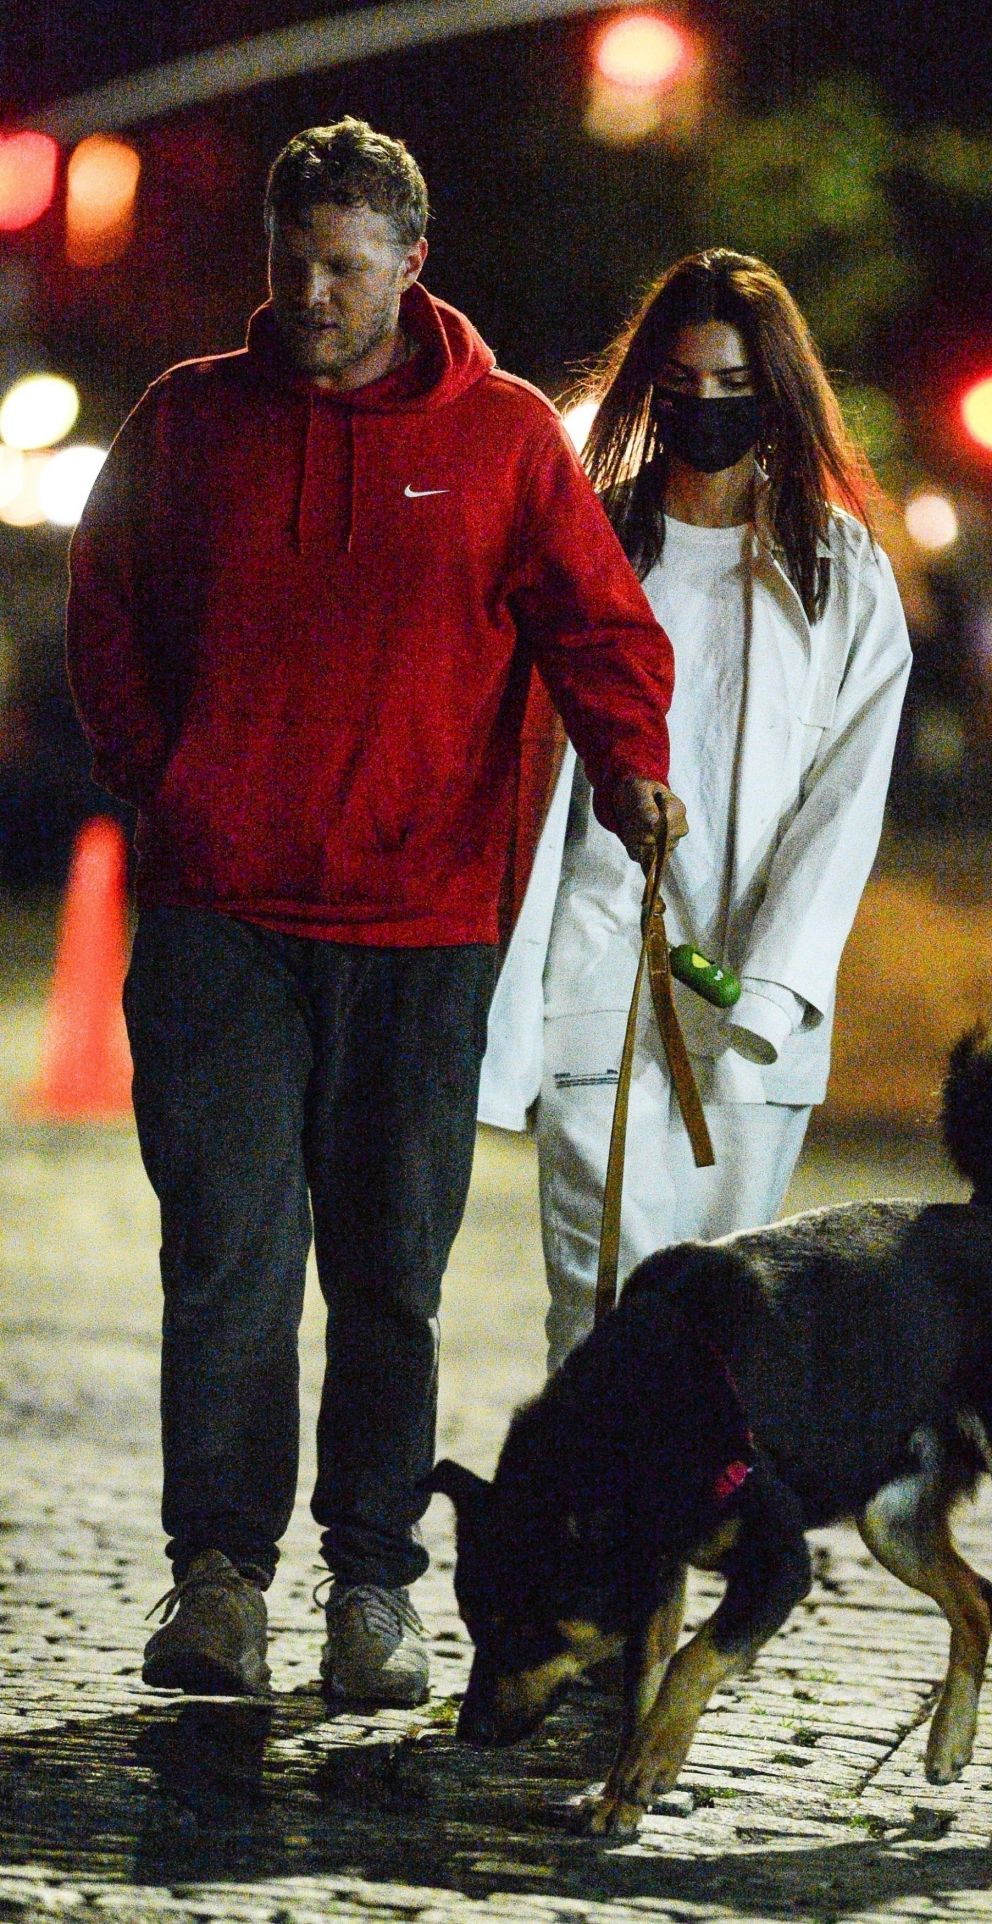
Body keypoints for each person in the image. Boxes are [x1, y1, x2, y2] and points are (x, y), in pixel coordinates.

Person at [65, 118, 686, 1706]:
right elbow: (106, 613)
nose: (315, 294)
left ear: (415, 264)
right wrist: (171, 781)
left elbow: (597, 627)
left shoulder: (504, 439)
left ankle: (374, 1585)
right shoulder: (190, 418)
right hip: (222, 920)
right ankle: (217, 1578)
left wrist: (632, 766)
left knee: (390, 1273)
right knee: (224, 1258)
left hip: (424, 928)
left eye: (347, 265)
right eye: (293, 263)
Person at [479, 249, 912, 1372]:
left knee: (726, 1300)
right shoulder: (594, 543)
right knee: (600, 1280)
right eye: (681, 385)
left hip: (747, 991)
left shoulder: (840, 572)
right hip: (599, 961)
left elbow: (843, 804)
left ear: (774, 396)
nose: (705, 411)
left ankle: (705, 1515)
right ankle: (599, 1530)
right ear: (645, 391)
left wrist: (772, 987)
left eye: (731, 387)